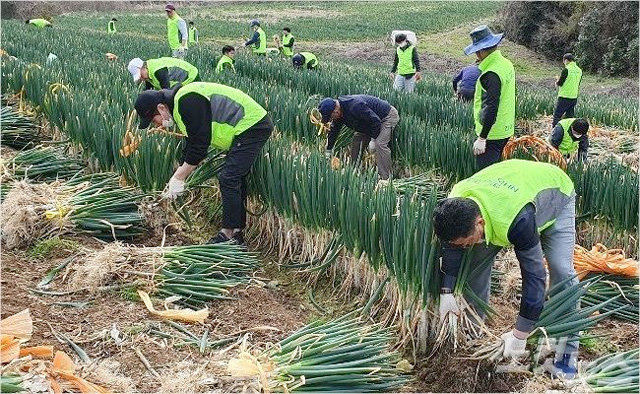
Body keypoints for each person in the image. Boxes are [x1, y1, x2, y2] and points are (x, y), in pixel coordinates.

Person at [433, 159, 580, 379]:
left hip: (555, 198)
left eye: (466, 240)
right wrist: (447, 291)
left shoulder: (516, 218)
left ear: (479, 223)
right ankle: (473, 333)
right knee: (475, 263)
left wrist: (520, 334)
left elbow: (534, 274)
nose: (463, 246)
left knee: (561, 271)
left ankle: (566, 356)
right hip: (508, 189)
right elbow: (451, 247)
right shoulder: (457, 201)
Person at [134, 82, 273, 245]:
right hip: (243, 129)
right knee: (234, 178)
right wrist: (178, 174)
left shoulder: (187, 100)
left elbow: (200, 146)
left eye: (153, 119)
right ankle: (235, 233)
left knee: (229, 178)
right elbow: (190, 144)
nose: (156, 124)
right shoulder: (179, 107)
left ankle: (229, 234)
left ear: (161, 108)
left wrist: (180, 177)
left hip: (252, 125)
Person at [464, 25, 515, 171]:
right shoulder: (506, 64)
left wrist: (482, 138)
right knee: (497, 171)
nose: (477, 56)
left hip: (492, 133)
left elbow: (491, 106)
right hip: (505, 128)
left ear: (480, 51)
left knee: (486, 175)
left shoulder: (491, 73)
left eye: (476, 52)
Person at [318, 95, 399, 180]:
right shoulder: (339, 113)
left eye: (330, 117)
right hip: (369, 122)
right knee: (357, 140)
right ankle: (353, 170)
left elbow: (375, 121)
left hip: (386, 117)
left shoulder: (355, 106)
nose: (331, 119)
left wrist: (373, 140)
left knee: (380, 143)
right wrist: (329, 149)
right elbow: (334, 131)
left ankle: (386, 179)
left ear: (336, 110)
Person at [128, 57, 199, 90]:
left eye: (140, 76)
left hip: (190, 77)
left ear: (143, 67)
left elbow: (166, 92)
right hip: (179, 83)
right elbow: (148, 90)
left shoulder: (158, 71)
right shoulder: (148, 74)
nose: (142, 79)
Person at [552, 53, 583, 127]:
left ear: (566, 60)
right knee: (569, 118)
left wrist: (557, 80)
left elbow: (560, 83)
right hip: (574, 97)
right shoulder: (579, 70)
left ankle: (554, 134)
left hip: (564, 96)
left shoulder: (566, 70)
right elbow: (577, 83)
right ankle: (568, 133)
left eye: (563, 61)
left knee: (557, 116)